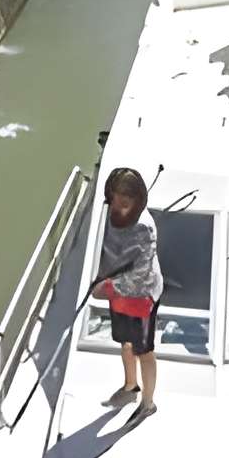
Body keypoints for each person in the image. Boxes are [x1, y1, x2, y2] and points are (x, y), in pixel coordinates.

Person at [92, 167, 161, 416]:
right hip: (117, 293)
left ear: (136, 200)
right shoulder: (108, 213)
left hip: (141, 296)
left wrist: (107, 287)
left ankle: (148, 404)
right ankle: (131, 386)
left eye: (124, 201)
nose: (117, 207)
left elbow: (141, 273)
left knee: (144, 350)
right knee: (126, 343)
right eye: (114, 199)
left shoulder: (144, 227)